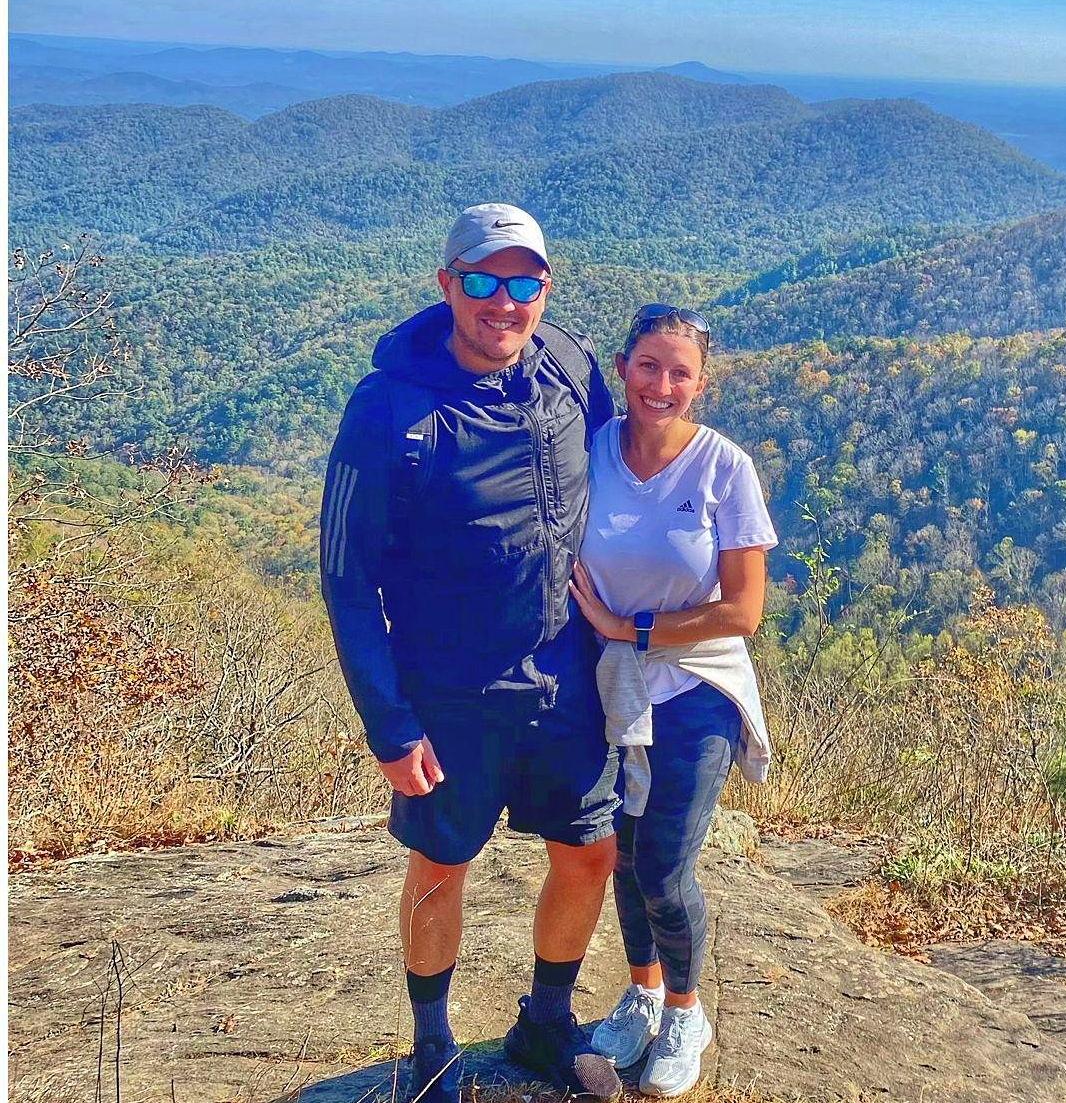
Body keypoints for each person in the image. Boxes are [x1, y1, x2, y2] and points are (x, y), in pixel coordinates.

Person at [320, 203, 624, 1103]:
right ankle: (432, 1042)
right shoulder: (389, 408)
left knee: (588, 851)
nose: (504, 301)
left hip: (566, 677)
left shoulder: (569, 365)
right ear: (446, 283)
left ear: (546, 288)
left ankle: (546, 1019)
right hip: (449, 694)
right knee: (441, 863)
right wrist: (388, 722)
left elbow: (616, 482)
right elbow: (345, 579)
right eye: (483, 279)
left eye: (524, 281)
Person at [568, 304, 776, 1098]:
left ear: (701, 383)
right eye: (648, 366)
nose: (661, 384)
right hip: (612, 685)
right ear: (622, 366)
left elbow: (742, 610)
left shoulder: (724, 467)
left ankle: (686, 1011)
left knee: (663, 864)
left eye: (679, 372)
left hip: (695, 684)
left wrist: (631, 626)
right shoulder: (591, 451)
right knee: (621, 854)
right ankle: (643, 990)